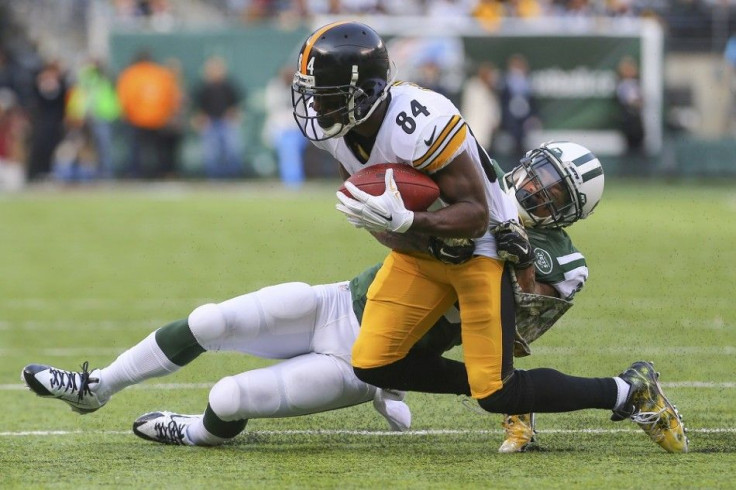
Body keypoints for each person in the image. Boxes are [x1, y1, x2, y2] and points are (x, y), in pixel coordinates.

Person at [18, 142, 642, 450]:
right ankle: (96, 388)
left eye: (553, 193)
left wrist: (512, 250)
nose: (534, 191)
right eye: (536, 175)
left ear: (570, 213)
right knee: (211, 320)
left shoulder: (562, 259)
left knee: (228, 396)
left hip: (363, 360)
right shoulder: (475, 183)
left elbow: (520, 327)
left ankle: (197, 431)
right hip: (340, 301)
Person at [292, 21, 687, 453]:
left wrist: (408, 222)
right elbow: (375, 217)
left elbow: (477, 217)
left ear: (363, 92)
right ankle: (511, 386)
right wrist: (397, 230)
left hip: (483, 247)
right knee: (373, 363)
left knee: (497, 393)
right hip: (424, 249)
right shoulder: (338, 131)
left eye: (325, 96)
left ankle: (628, 392)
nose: (315, 107)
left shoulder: (420, 120)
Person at [116, 49, 182, 178]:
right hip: (158, 118)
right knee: (158, 151)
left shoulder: (131, 74)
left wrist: (127, 113)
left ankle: (136, 174)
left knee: (137, 150)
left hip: (137, 118)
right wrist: (167, 113)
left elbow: (124, 97)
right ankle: (159, 174)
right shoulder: (160, 73)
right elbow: (171, 96)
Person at [191, 55, 244, 179]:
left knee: (231, 150)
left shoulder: (229, 86)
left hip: (226, 122)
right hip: (210, 122)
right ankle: (214, 177)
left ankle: (233, 176)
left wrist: (232, 114)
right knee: (211, 153)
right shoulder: (202, 87)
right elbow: (197, 107)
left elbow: (236, 104)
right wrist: (201, 118)